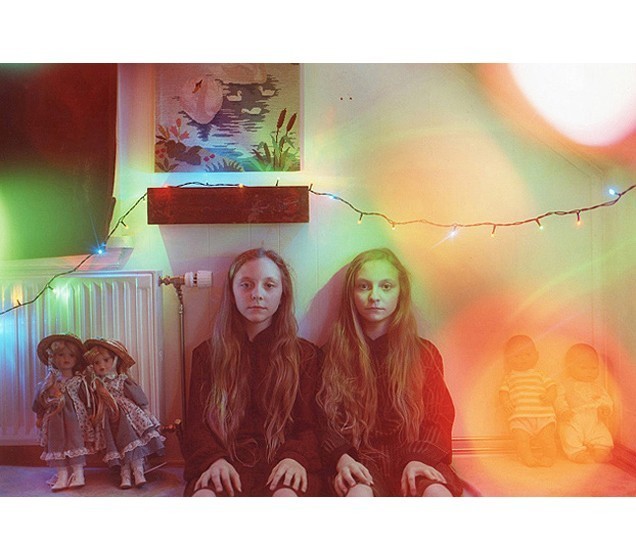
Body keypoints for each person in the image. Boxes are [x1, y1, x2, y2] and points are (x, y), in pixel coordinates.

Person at [318, 248, 463, 497]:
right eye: (364, 286)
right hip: (359, 458)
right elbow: (324, 419)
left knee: (436, 493)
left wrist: (420, 458)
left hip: (416, 453)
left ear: (400, 293)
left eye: (386, 286)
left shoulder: (424, 354)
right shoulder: (330, 355)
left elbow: (438, 416)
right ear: (351, 294)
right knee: (358, 494)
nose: (374, 296)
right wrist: (342, 457)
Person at [182, 248, 323, 497]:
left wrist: (295, 457)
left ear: (283, 294)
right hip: (226, 461)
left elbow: (310, 425)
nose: (257, 294)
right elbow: (196, 426)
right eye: (246, 285)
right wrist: (213, 460)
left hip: (283, 461)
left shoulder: (305, 356)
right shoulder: (207, 355)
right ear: (232, 292)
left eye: (269, 285)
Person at [83, 338, 165, 489]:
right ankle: (125, 474)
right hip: (108, 418)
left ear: (115, 360)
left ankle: (138, 472)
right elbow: (92, 402)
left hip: (127, 415)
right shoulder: (97, 385)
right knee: (118, 444)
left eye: (106, 360)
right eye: (97, 363)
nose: (101, 366)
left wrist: (144, 409)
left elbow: (136, 395)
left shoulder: (122, 380)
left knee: (130, 440)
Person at [32, 334, 94, 491]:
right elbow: (40, 399)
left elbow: (87, 398)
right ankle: (62, 474)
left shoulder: (79, 380)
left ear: (76, 359)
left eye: (71, 355)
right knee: (56, 441)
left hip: (75, 417)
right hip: (54, 417)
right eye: (61, 355)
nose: (66, 359)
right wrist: (39, 416)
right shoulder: (50, 382)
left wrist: (91, 413)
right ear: (53, 358)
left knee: (75, 440)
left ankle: (78, 473)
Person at [499, 335, 557, 467]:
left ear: (536, 356)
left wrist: (550, 396)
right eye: (517, 356)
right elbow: (503, 392)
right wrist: (506, 402)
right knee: (521, 441)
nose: (522, 359)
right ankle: (527, 457)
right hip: (520, 417)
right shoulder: (509, 377)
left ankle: (549, 456)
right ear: (508, 359)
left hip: (543, 415)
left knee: (548, 439)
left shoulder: (540, 374)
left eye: (527, 354)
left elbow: (552, 387)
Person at [555, 343, 614, 463]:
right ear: (570, 368)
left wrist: (606, 407)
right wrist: (563, 410)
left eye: (594, 368)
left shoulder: (598, 387)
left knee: (602, 434)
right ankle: (576, 453)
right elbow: (558, 398)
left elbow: (606, 399)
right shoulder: (565, 384)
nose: (589, 372)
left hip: (594, 419)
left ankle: (601, 450)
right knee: (568, 434)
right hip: (573, 418)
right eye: (583, 368)